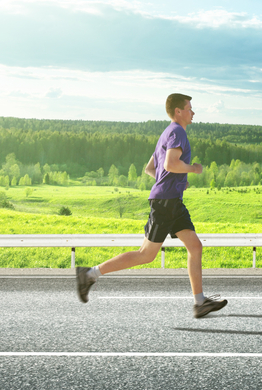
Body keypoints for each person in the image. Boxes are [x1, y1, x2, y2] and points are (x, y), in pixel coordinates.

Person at [76, 93, 227, 318]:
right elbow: (171, 163)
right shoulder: (177, 132)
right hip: (166, 203)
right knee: (146, 255)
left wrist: (173, 181)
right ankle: (90, 274)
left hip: (171, 200)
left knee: (195, 246)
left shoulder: (166, 133)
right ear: (178, 111)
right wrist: (192, 169)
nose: (193, 112)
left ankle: (200, 302)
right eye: (189, 108)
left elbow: (150, 168)